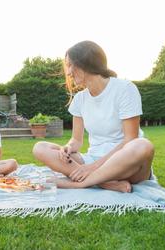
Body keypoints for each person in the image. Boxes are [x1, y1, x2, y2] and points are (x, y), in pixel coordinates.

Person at [32, 41, 154, 192]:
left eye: (71, 65)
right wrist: (68, 148)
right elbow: (76, 140)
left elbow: (130, 139)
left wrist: (92, 168)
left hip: (126, 164)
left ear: (85, 64)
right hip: (92, 159)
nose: (68, 72)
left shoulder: (125, 89)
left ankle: (81, 183)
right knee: (40, 148)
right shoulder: (79, 99)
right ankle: (103, 183)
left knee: (143, 145)